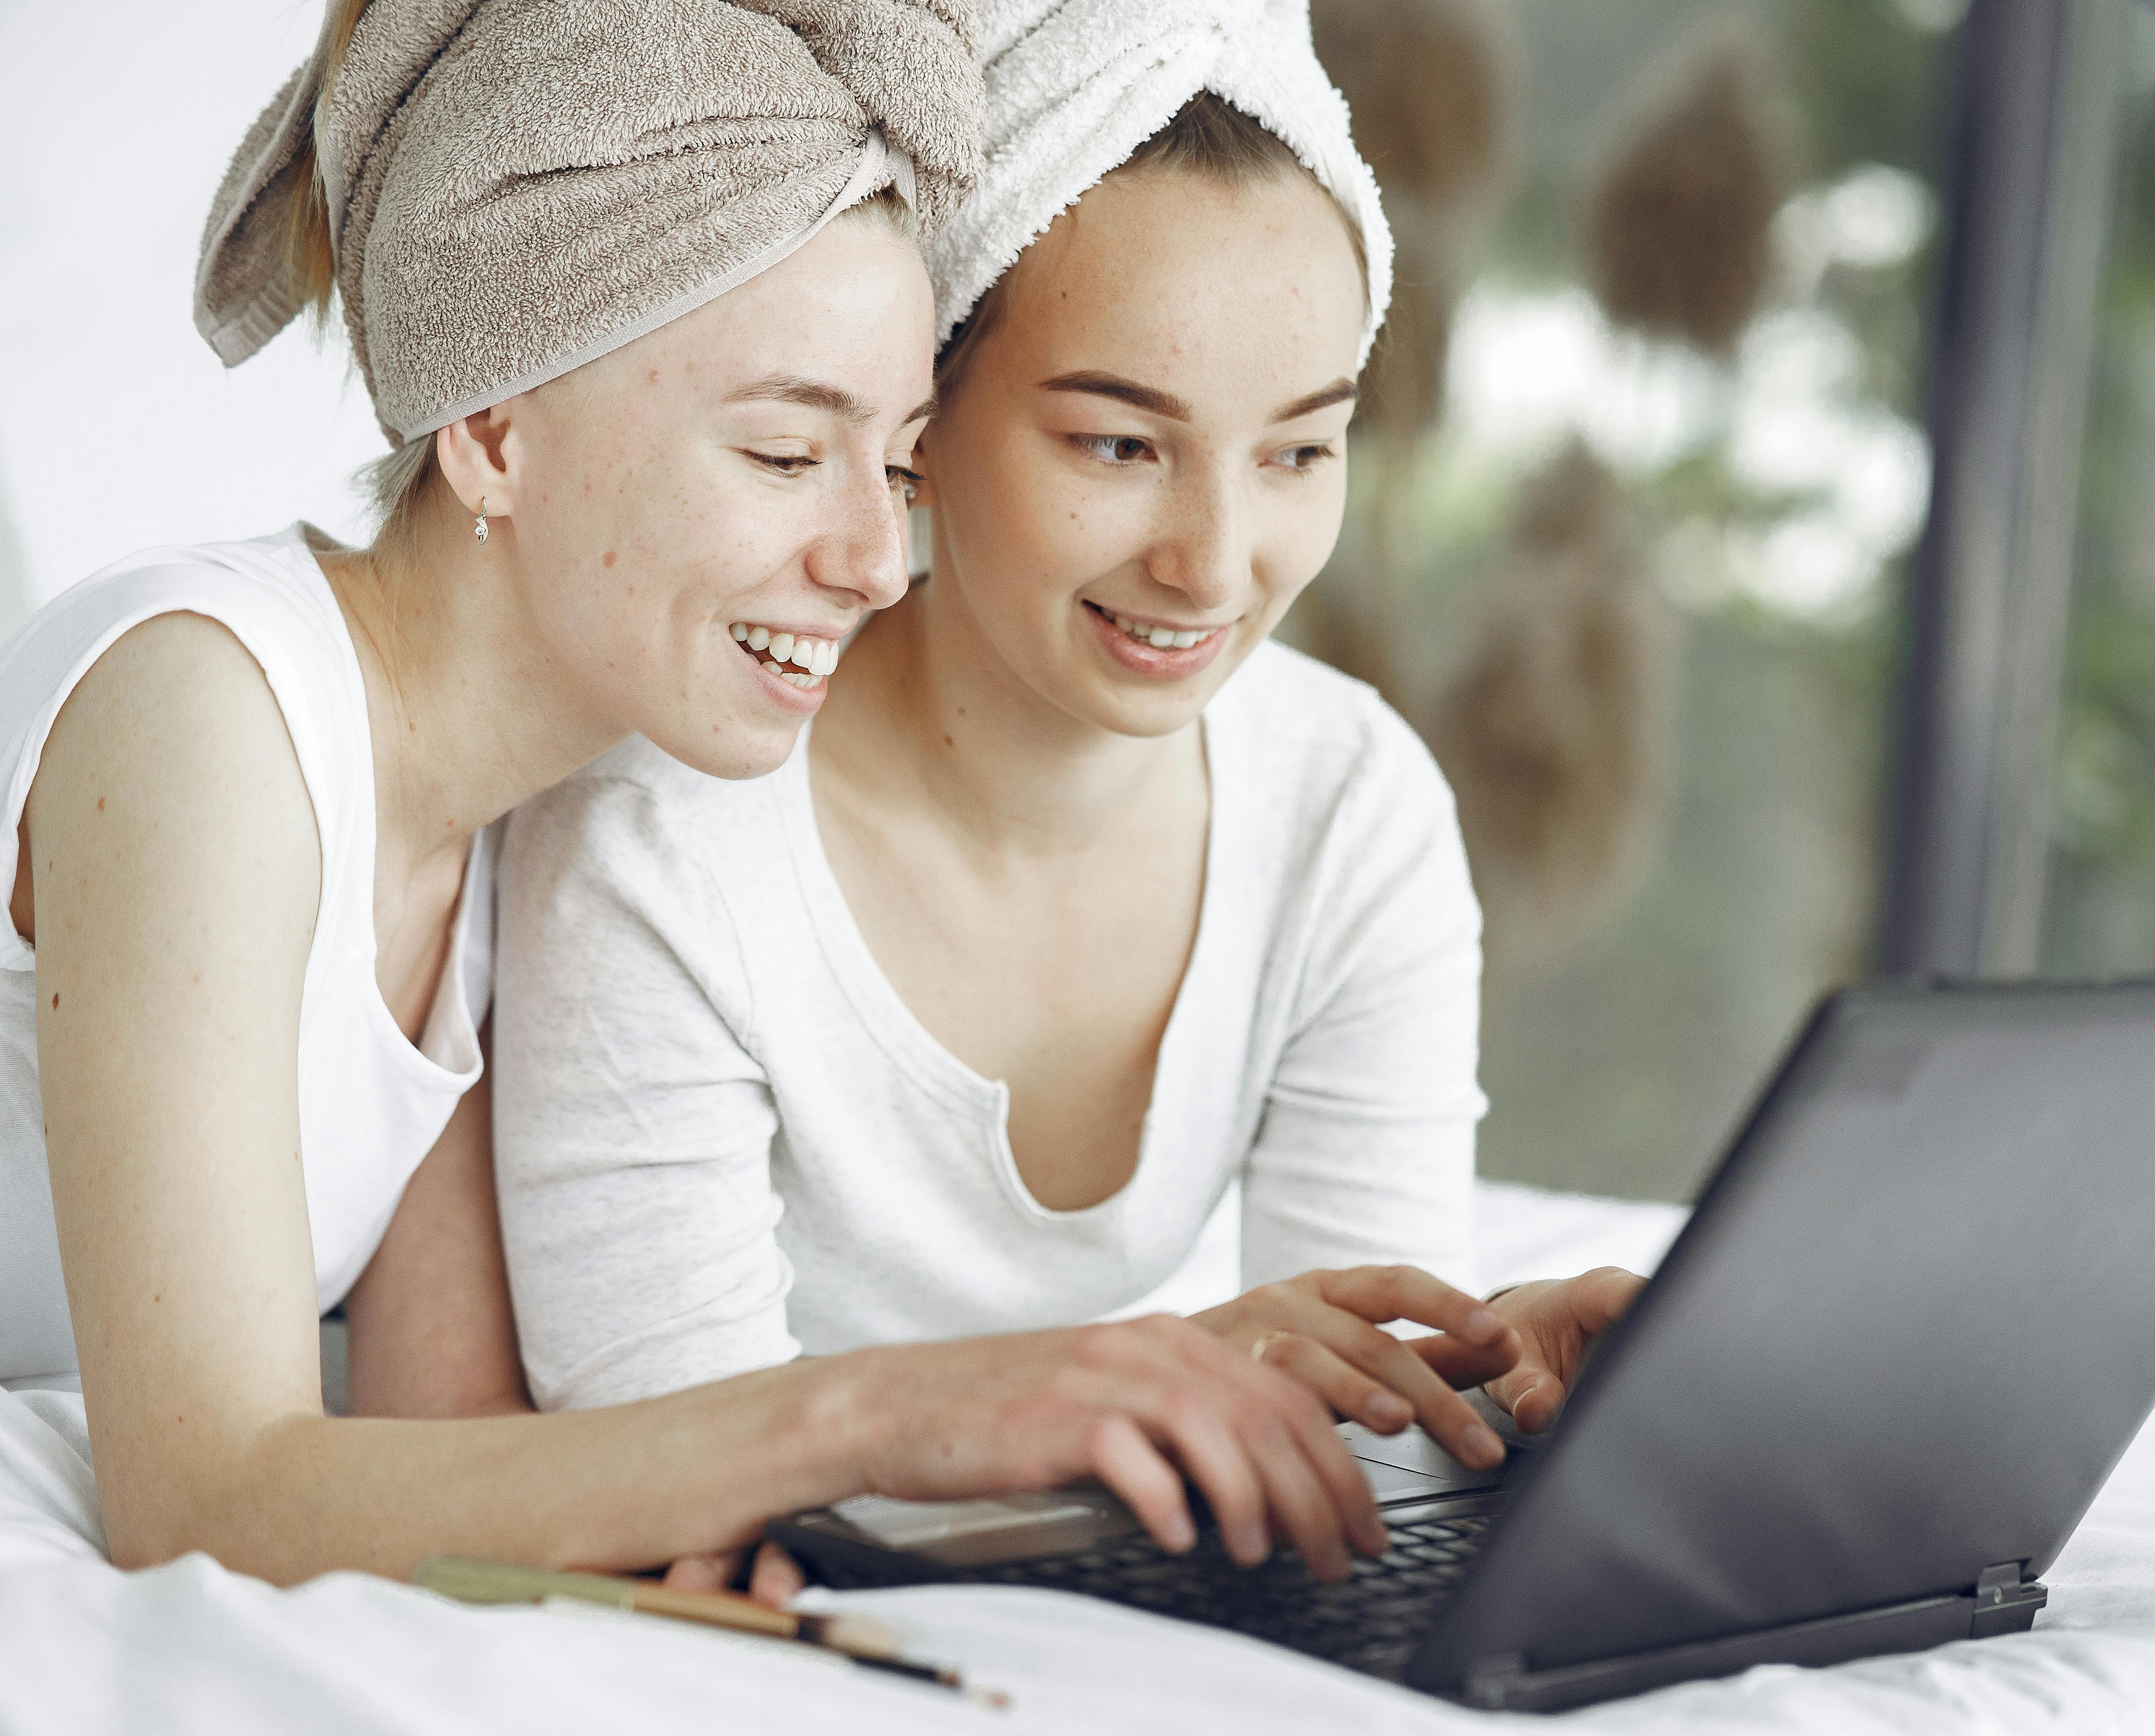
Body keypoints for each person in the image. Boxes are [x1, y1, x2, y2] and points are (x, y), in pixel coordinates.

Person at [2, 0, 1396, 1592]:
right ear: (494, 430)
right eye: (787, 456)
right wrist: (872, 1416)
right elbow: (203, 1500)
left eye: (896, 460)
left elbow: (447, 1437)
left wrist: (1184, 1373)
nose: (877, 563)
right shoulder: (206, 713)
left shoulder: (504, 814)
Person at [493, 0, 1643, 1595]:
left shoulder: (1349, 803)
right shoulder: (664, 830)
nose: (1215, 563)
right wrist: (1180, 1364)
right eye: (1118, 441)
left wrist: (1473, 1378)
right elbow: (672, 1470)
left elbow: (1342, 1428)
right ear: (925, 427)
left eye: (1301, 454)